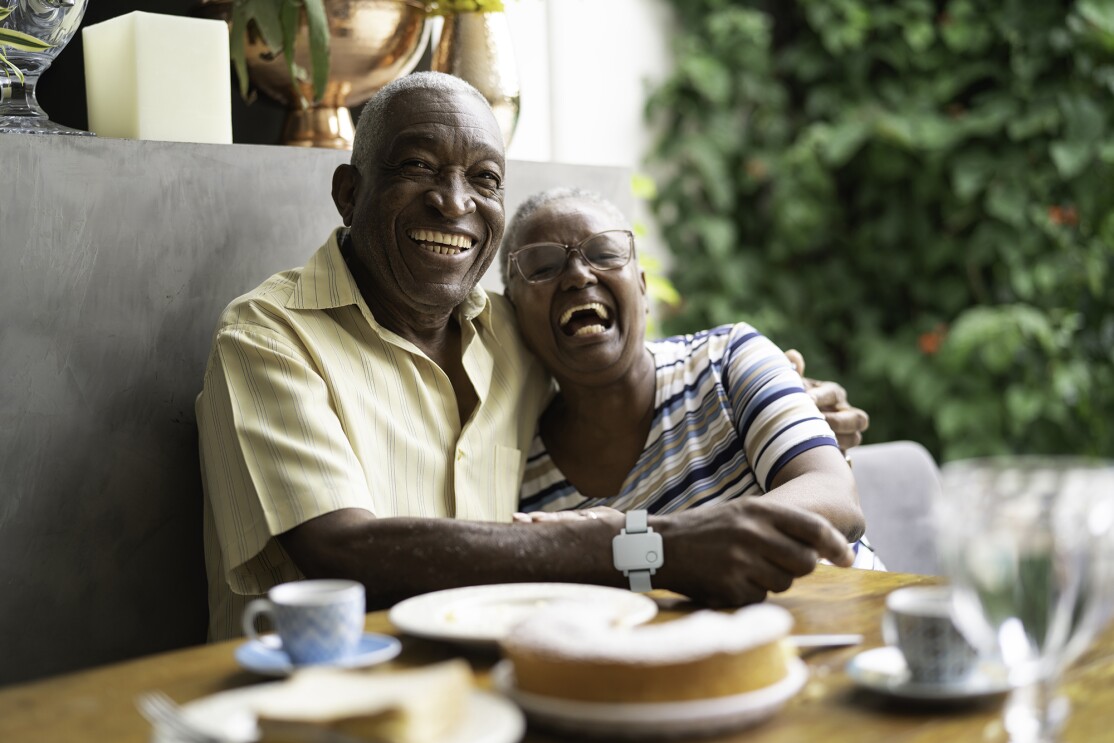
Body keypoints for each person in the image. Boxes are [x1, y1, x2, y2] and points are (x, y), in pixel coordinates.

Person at [196, 72, 864, 641]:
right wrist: (648, 544)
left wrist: (782, 393)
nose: (454, 201)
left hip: (485, 690)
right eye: (418, 166)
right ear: (349, 194)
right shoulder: (268, 336)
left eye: (483, 177)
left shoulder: (508, 332)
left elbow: (616, 356)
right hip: (309, 700)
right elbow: (340, 553)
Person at [499, 188, 882, 569]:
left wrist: (643, 541)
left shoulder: (727, 359)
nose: (579, 276)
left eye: (604, 254)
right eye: (543, 266)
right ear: (514, 312)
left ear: (643, 288)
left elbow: (837, 500)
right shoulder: (524, 477)